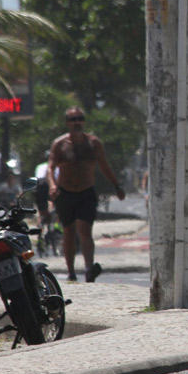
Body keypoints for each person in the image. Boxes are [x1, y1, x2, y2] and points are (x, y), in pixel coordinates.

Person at [47, 107, 126, 283]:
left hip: (86, 193)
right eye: (73, 119)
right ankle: (71, 272)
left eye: (80, 119)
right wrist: (52, 185)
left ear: (84, 121)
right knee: (68, 231)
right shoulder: (59, 144)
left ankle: (89, 269)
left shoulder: (94, 144)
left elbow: (105, 166)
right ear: (67, 123)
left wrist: (117, 186)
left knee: (84, 229)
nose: (77, 122)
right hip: (65, 193)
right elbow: (50, 167)